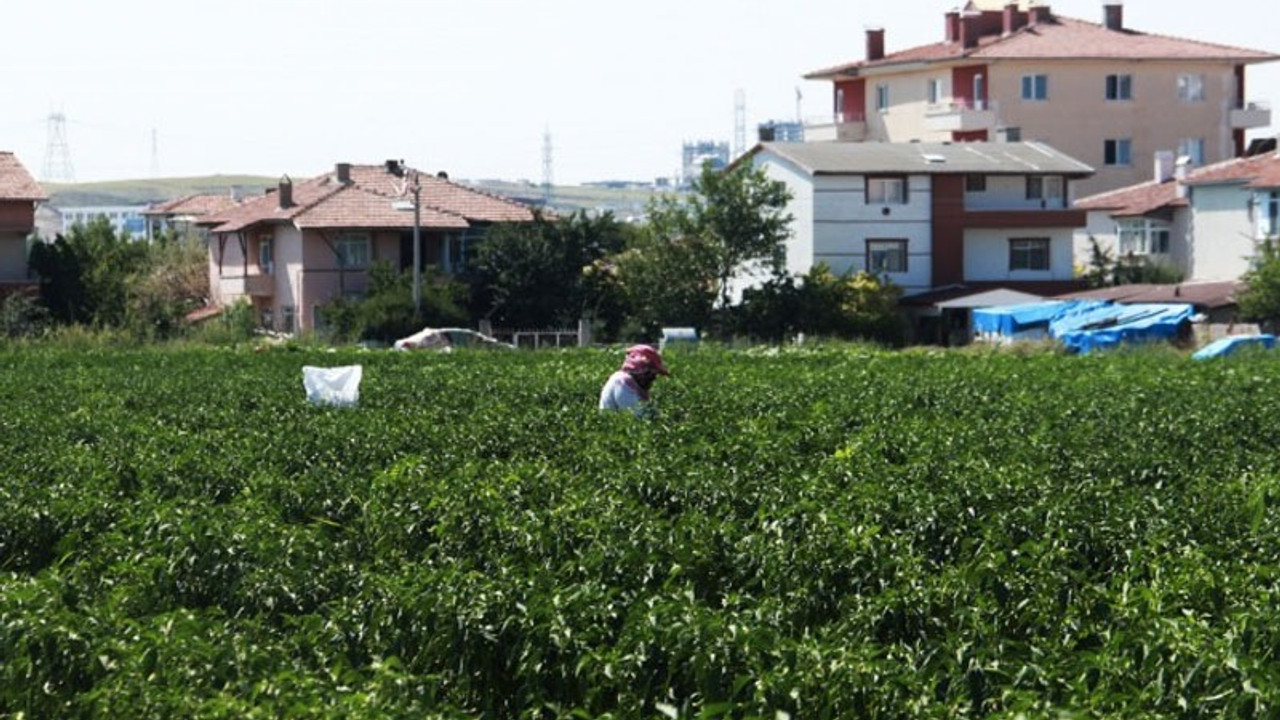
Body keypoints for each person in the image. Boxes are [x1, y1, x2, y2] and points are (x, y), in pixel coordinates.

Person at [599, 344, 669, 418]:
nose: (653, 379)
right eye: (652, 375)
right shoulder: (622, 382)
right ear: (642, 371)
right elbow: (637, 416)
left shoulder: (632, 384)